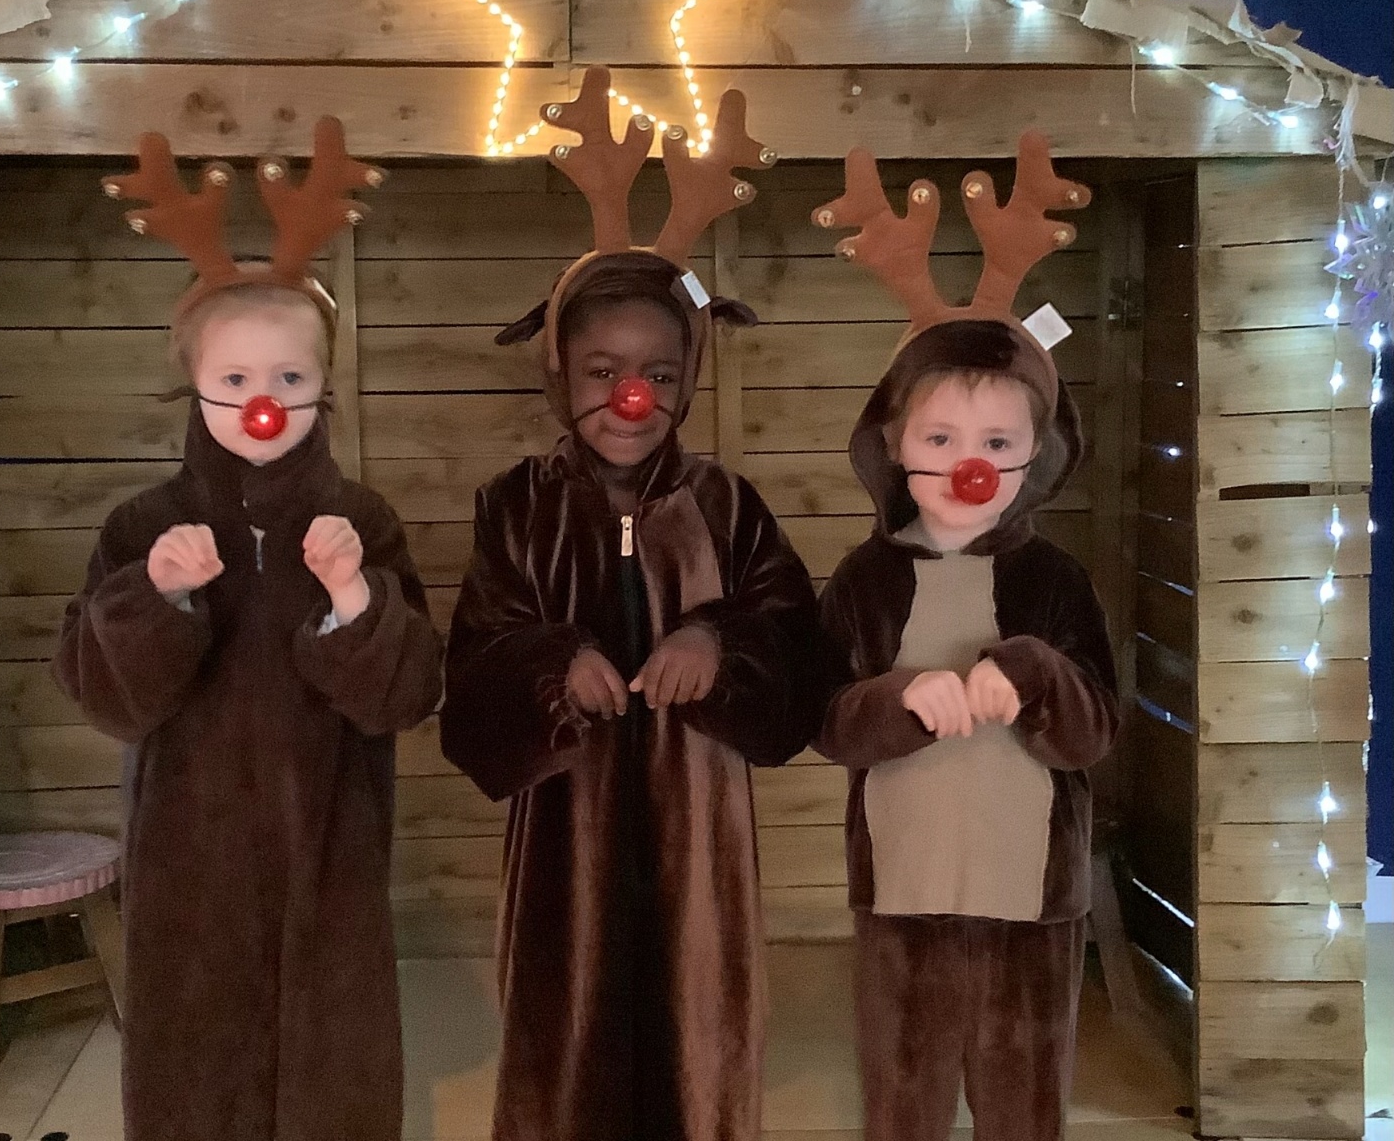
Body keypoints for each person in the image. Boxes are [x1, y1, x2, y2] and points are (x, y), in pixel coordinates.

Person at [440, 70, 831, 1141]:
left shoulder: (725, 505)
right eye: (604, 370)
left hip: (699, 836)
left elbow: (796, 648)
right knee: (568, 1036)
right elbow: (474, 666)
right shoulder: (515, 506)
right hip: (563, 841)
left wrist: (717, 641)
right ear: (560, 373)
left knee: (696, 1032)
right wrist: (550, 663)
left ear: (686, 379)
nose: (631, 397)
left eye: (658, 372)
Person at [53, 121, 442, 1141]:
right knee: (194, 1056)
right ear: (195, 385)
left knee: (335, 1056)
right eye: (234, 381)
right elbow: (103, 692)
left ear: (321, 388)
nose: (261, 403)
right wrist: (156, 597)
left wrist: (355, 598)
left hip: (331, 845)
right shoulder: (142, 526)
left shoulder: (361, 520)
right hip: (188, 856)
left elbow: (408, 692)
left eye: (287, 380)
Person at [812, 135, 1121, 1141]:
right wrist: (897, 697)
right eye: (940, 439)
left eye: (995, 442)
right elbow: (827, 718)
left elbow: (1095, 728)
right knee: (902, 1101)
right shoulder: (865, 579)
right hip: (902, 892)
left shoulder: (1054, 580)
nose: (967, 466)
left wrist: (1033, 672)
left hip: (1032, 898)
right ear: (894, 444)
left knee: (1023, 1104)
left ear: (1035, 453)